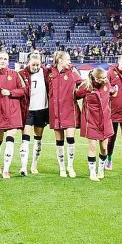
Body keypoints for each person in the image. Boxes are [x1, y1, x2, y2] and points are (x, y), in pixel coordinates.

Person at [0, 51, 26, 179]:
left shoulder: (14, 74)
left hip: (13, 111)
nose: (3, 61)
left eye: (5, 59)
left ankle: (6, 170)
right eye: (1, 58)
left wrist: (10, 92)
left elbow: (23, 90)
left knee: (10, 138)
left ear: (8, 61)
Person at [75, 67, 118, 181]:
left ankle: (101, 169)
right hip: (91, 121)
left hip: (105, 121)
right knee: (92, 147)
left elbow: (113, 91)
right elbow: (75, 95)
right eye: (102, 78)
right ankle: (92, 172)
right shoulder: (86, 86)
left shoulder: (107, 84)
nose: (105, 80)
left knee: (104, 148)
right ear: (96, 78)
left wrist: (115, 90)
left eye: (105, 78)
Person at [47, 50, 80, 178]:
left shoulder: (72, 72)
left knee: (70, 139)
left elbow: (83, 84)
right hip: (55, 112)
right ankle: (62, 168)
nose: (70, 62)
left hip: (70, 110)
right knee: (59, 141)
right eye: (68, 59)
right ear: (60, 60)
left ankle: (70, 167)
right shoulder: (49, 72)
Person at [18, 50, 47, 176]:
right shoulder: (21, 74)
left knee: (38, 139)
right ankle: (23, 167)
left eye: (37, 65)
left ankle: (34, 164)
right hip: (28, 110)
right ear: (28, 63)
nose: (35, 67)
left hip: (41, 110)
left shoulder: (45, 72)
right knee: (25, 138)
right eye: (33, 65)